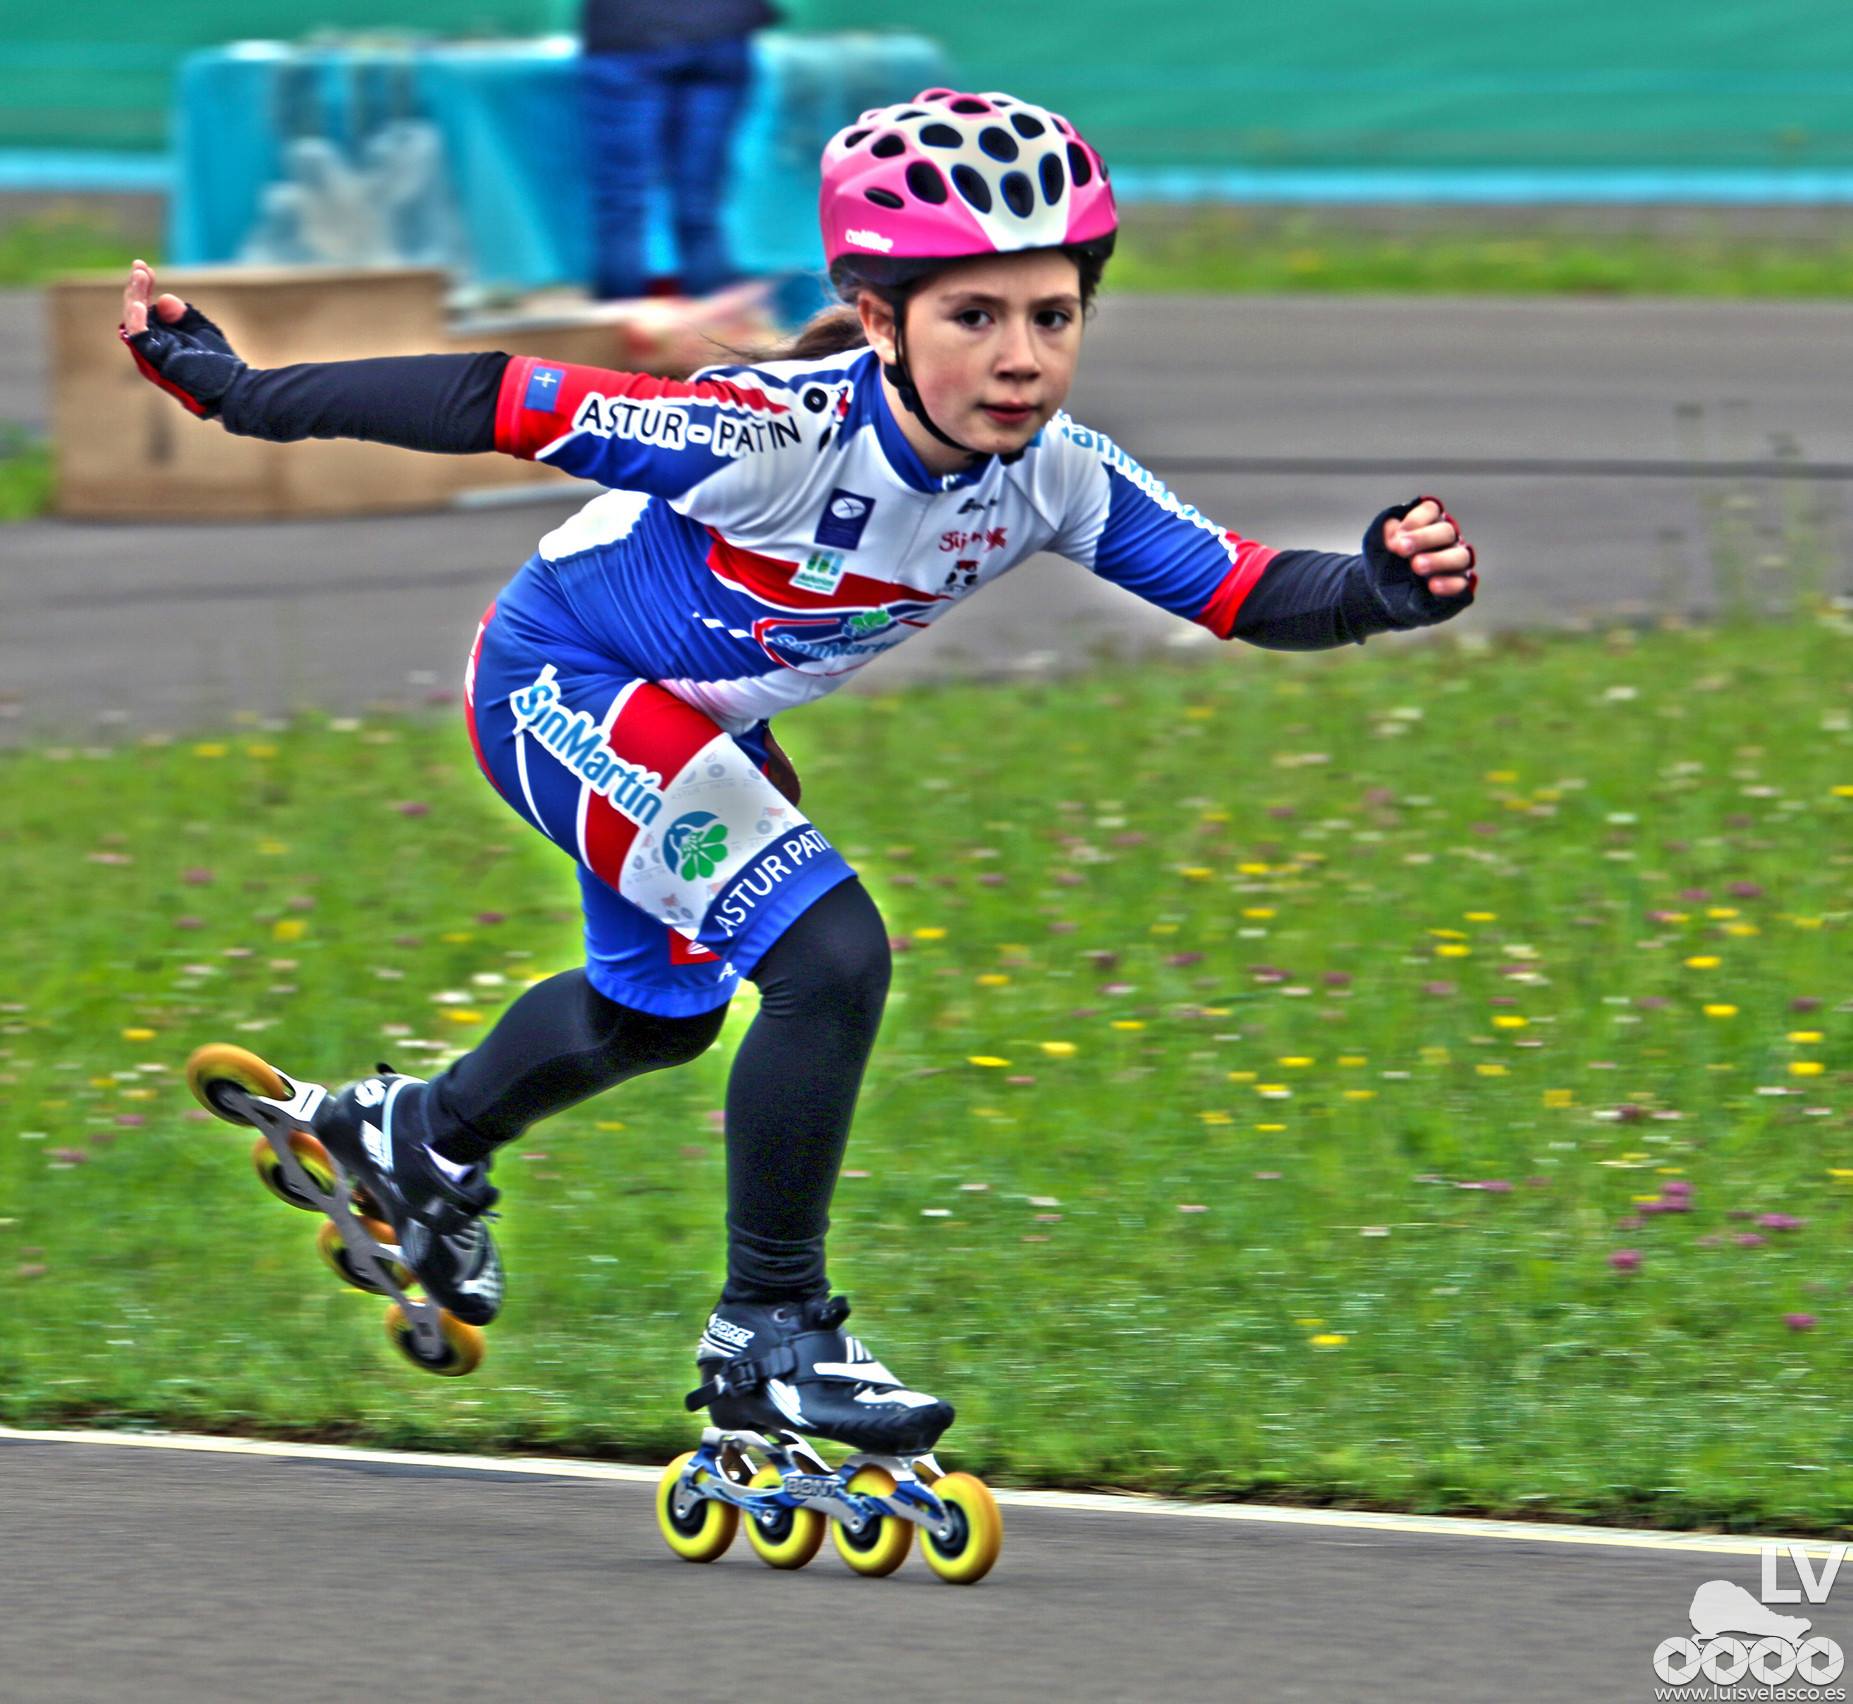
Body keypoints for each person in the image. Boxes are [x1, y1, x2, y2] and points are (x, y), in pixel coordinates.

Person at [121, 86, 1477, 1460]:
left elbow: (1241, 589)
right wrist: (248, 396)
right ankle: (768, 1330)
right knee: (828, 958)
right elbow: (495, 398)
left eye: (1052, 316)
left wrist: (1374, 588)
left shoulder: (1056, 477)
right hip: (562, 680)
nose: (1020, 359)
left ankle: (418, 1138)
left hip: (694, 715)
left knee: (657, 1016)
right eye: (974, 316)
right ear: (879, 319)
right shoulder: (773, 437)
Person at [578, 0, 774, 300]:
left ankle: (621, 324)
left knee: (623, 205)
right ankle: (712, 324)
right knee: (700, 205)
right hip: (719, 28)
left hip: (629, 31)